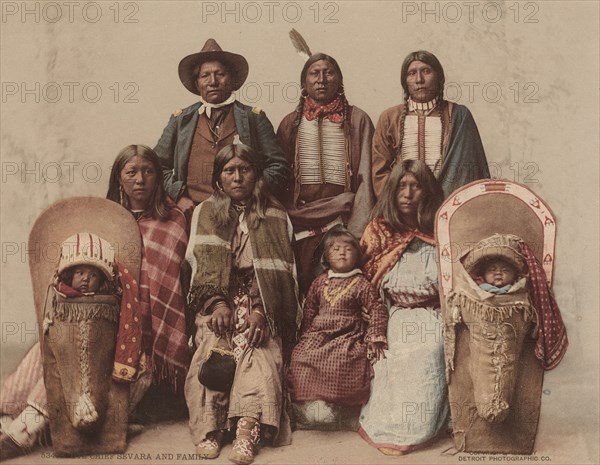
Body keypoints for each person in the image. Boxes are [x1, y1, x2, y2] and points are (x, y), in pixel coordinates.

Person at [0, 145, 191, 460]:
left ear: (159, 176)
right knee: (52, 346)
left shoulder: (173, 222)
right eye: (131, 172)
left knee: (77, 355)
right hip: (97, 323)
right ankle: (13, 417)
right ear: (119, 178)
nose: (140, 180)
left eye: (148, 171)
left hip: (137, 347)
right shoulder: (105, 223)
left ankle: (25, 430)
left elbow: (166, 285)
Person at [184, 143, 301, 465]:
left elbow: (282, 273)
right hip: (217, 300)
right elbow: (200, 265)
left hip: (260, 302)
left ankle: (247, 429)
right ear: (219, 178)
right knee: (211, 348)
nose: (237, 177)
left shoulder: (275, 214)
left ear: (256, 174)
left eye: (244, 170)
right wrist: (218, 305)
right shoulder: (205, 212)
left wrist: (262, 312)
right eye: (229, 171)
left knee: (258, 350)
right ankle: (211, 428)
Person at [0, 232, 139, 459]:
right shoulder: (60, 298)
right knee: (41, 352)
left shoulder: (107, 306)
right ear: (68, 275)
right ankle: (6, 414)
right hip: (60, 353)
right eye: (80, 273)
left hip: (89, 368)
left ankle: (26, 427)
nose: (85, 279)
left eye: (93, 275)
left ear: (102, 280)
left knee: (63, 362)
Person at [358, 159, 447, 456]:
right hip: (392, 313)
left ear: (428, 191)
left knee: (426, 352)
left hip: (434, 314)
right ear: (392, 193)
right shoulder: (379, 231)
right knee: (389, 356)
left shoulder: (443, 230)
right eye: (401, 187)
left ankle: (420, 428)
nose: (408, 194)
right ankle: (389, 428)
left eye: (416, 186)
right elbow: (367, 279)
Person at [154, 38, 290, 220]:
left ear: (232, 79)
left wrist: (253, 192)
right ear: (197, 83)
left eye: (220, 74)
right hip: (192, 213)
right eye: (205, 76)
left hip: (246, 214)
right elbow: (156, 166)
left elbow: (279, 166)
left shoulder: (253, 118)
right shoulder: (181, 120)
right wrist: (179, 195)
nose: (213, 82)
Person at [277, 53, 375, 295]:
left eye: (328, 72)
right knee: (301, 292)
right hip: (300, 219)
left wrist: (356, 230)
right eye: (314, 73)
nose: (321, 79)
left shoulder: (358, 119)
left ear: (340, 80)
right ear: (304, 83)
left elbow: (366, 179)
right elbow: (278, 180)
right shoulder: (290, 124)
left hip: (343, 218)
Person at [287, 226, 388, 428]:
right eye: (335, 249)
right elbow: (310, 309)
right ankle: (310, 402)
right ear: (325, 257)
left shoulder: (361, 283)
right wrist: (307, 334)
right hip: (319, 333)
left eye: (348, 249)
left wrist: (375, 335)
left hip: (347, 334)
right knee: (301, 357)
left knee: (344, 359)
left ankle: (339, 405)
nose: (342, 252)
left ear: (357, 255)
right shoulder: (319, 282)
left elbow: (377, 308)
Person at [371, 50, 489, 199]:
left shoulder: (458, 115)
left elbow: (471, 174)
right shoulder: (389, 117)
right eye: (411, 73)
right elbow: (379, 173)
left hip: (447, 203)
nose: (419, 79)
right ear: (405, 82)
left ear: (439, 77)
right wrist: (399, 203)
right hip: (402, 206)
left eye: (426, 71)